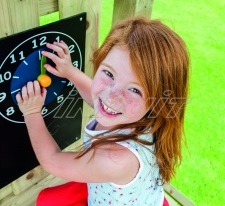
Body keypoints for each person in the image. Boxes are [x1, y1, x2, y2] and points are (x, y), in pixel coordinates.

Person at [16, 17, 189, 206]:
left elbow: (53, 161)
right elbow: (98, 97)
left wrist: (32, 112)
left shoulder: (116, 159)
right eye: (108, 73)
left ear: (159, 102)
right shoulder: (145, 115)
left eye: (135, 90)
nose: (112, 95)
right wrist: (71, 72)